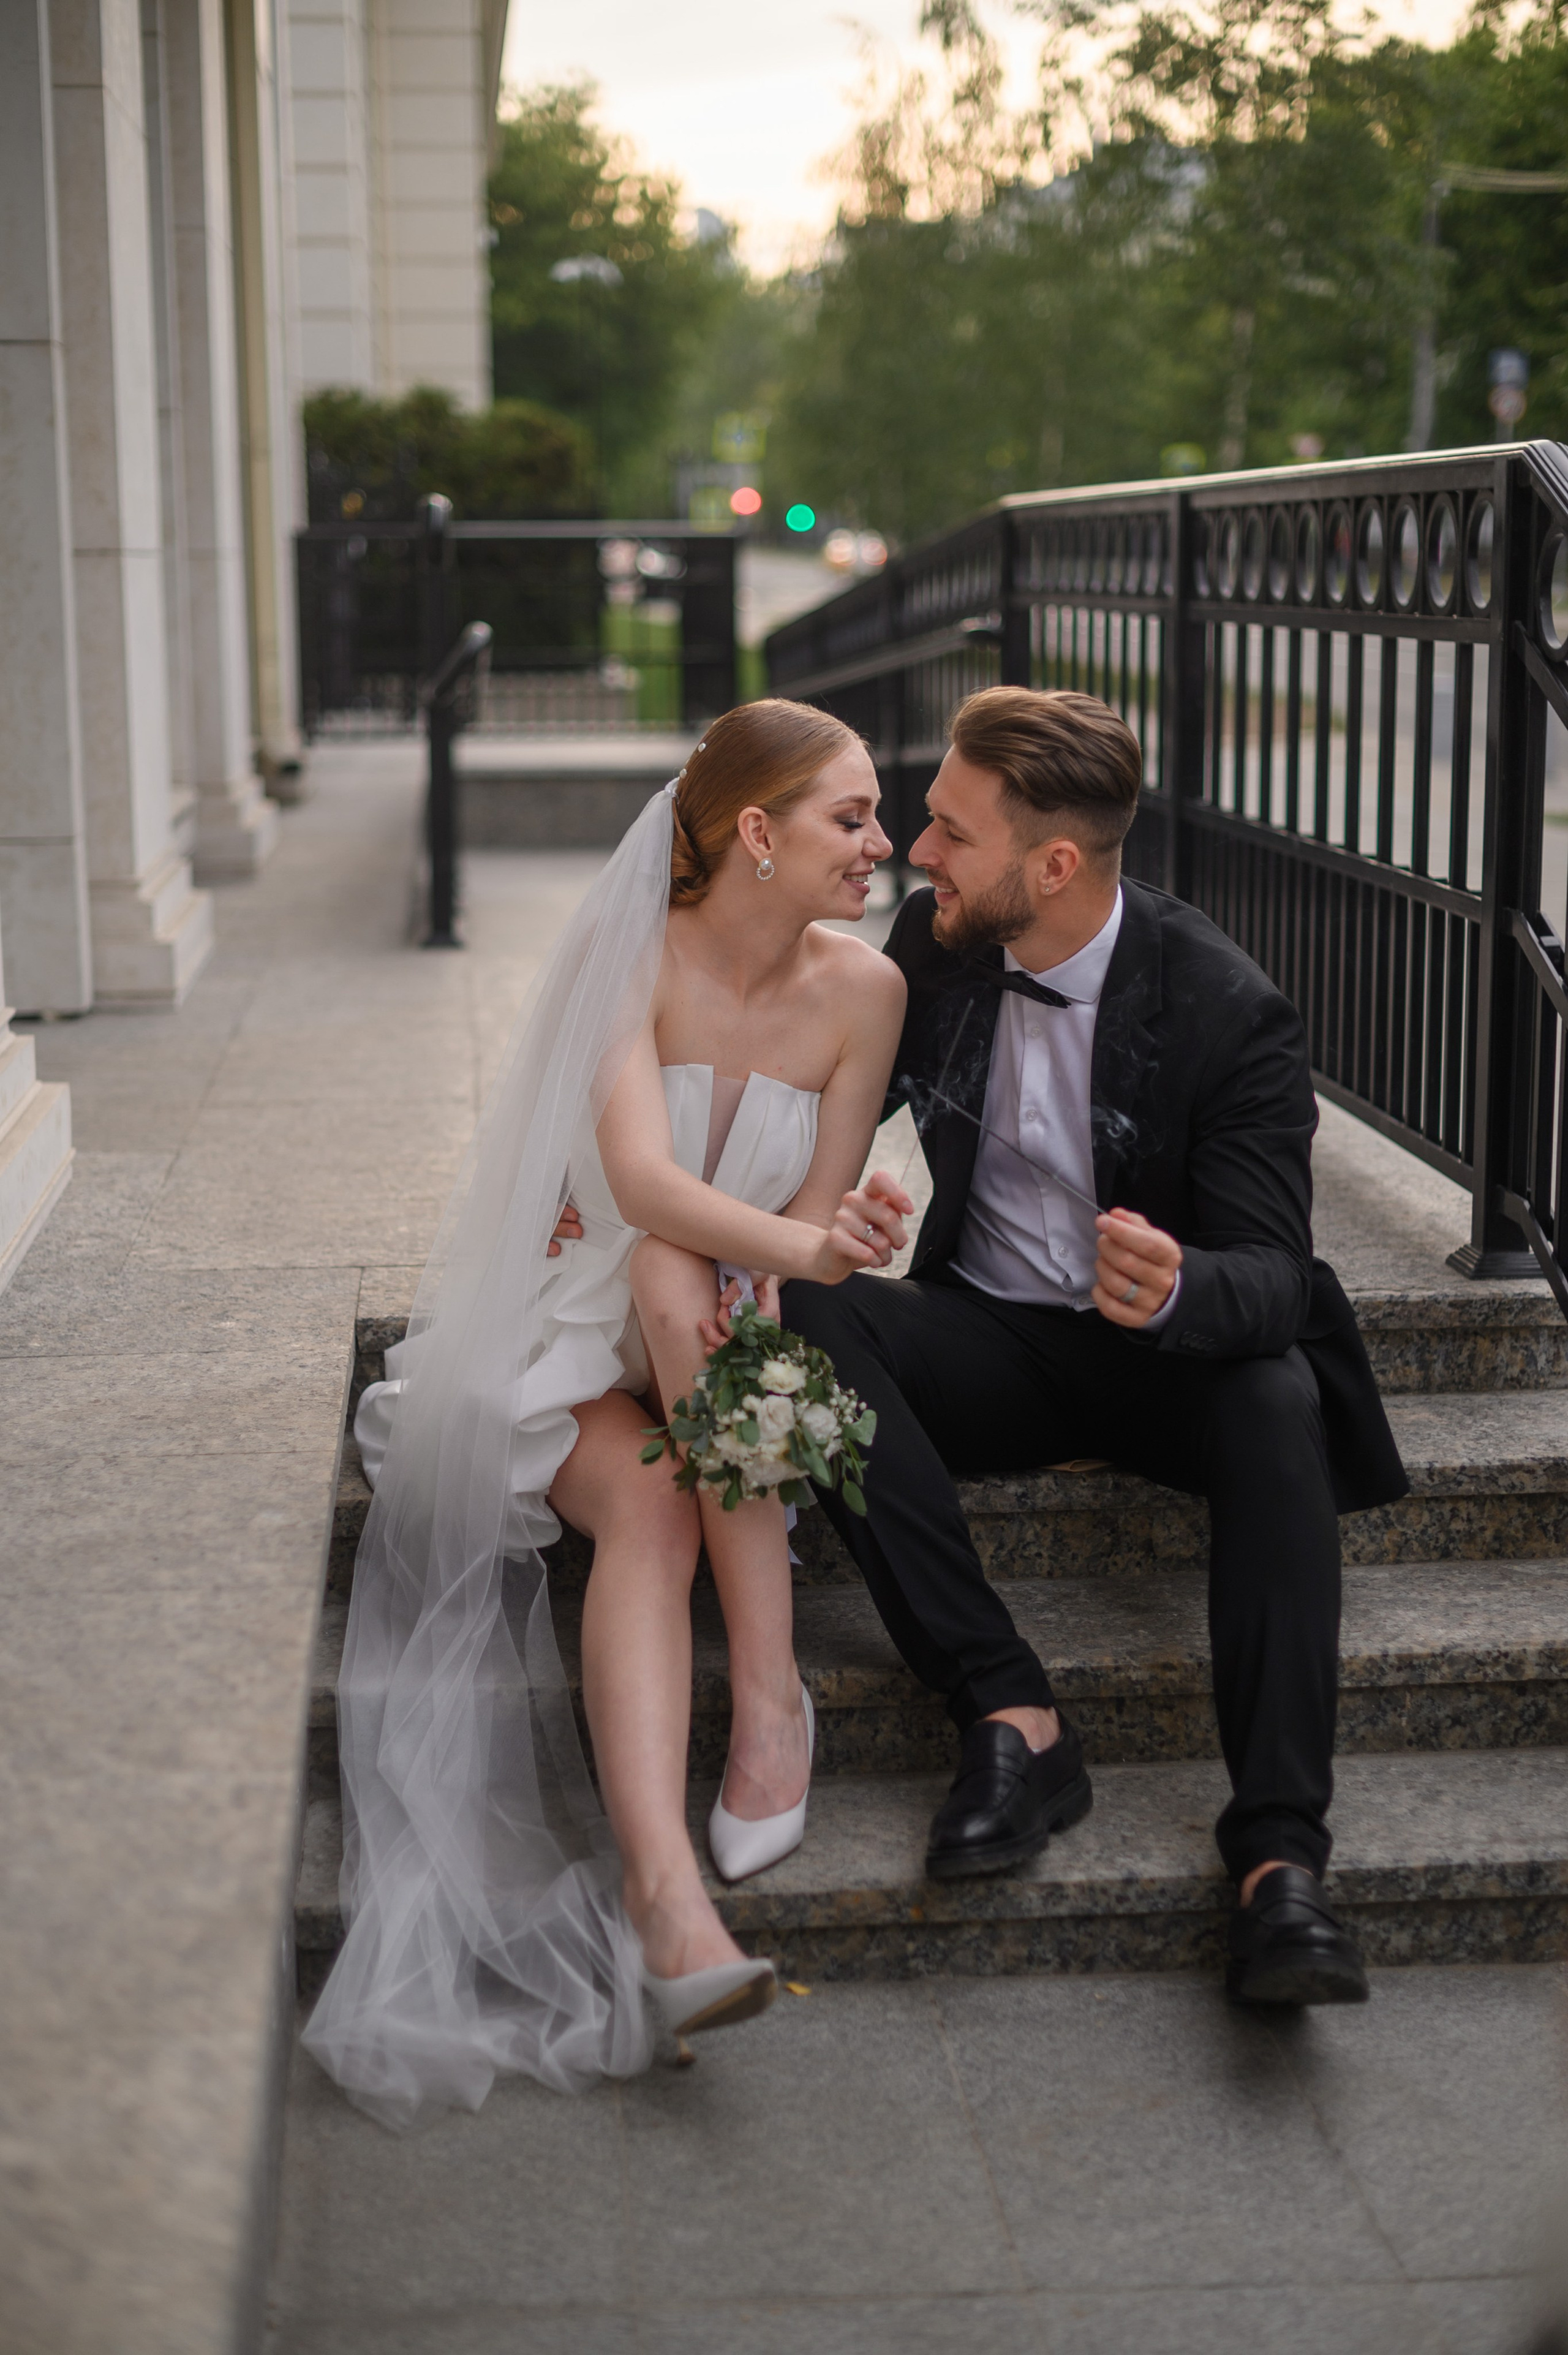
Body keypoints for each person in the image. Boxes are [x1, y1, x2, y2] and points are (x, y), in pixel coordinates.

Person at [304, 700, 911, 2125]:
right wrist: (800, 1249)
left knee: (684, 1275)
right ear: (755, 829)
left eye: (879, 818)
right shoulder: (624, 954)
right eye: (851, 816)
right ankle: (666, 1892)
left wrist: (829, 1242)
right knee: (653, 1376)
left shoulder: (866, 991)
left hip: (722, 1321)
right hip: (566, 1332)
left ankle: (768, 1708)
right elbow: (638, 1182)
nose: (880, 844)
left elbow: (816, 1213)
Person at [782, 684, 1409, 2008]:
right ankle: (1009, 1710)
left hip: (1165, 1365)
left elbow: (1274, 1275)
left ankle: (1279, 1859)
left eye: (952, 832)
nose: (918, 852)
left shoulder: (1226, 1008)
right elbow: (803, 1100)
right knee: (810, 1311)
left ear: (1054, 864)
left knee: (1275, 1396)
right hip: (989, 1334)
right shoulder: (937, 939)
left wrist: (1182, 1285)